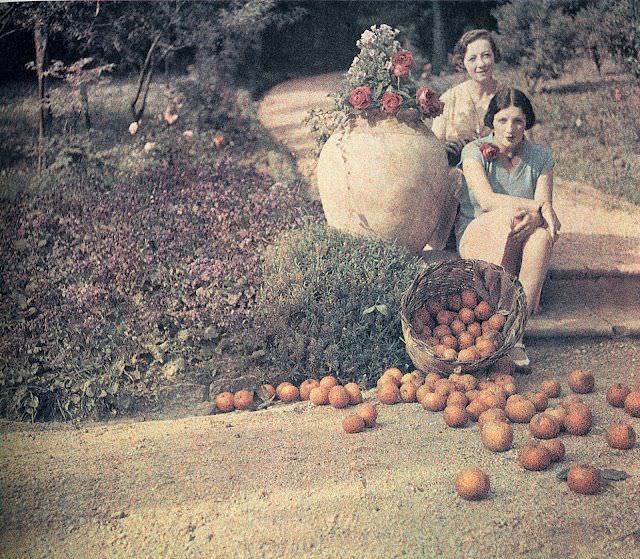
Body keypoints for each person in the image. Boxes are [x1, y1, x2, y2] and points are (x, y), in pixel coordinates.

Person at [456, 88, 561, 368]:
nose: (510, 129)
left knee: (540, 237)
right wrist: (536, 208)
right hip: (480, 236)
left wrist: (540, 215)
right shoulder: (474, 152)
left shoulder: (540, 157)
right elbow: (488, 201)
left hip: (521, 235)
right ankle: (493, 320)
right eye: (502, 120)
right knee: (506, 217)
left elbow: (546, 211)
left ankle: (515, 331)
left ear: (527, 123)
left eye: (518, 121)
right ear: (491, 121)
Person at [432, 29, 500, 166]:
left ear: (494, 56)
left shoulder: (509, 98)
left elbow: (525, 147)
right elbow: (433, 150)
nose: (481, 64)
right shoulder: (448, 99)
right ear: (462, 62)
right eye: (472, 58)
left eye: (486, 55)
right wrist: (446, 149)